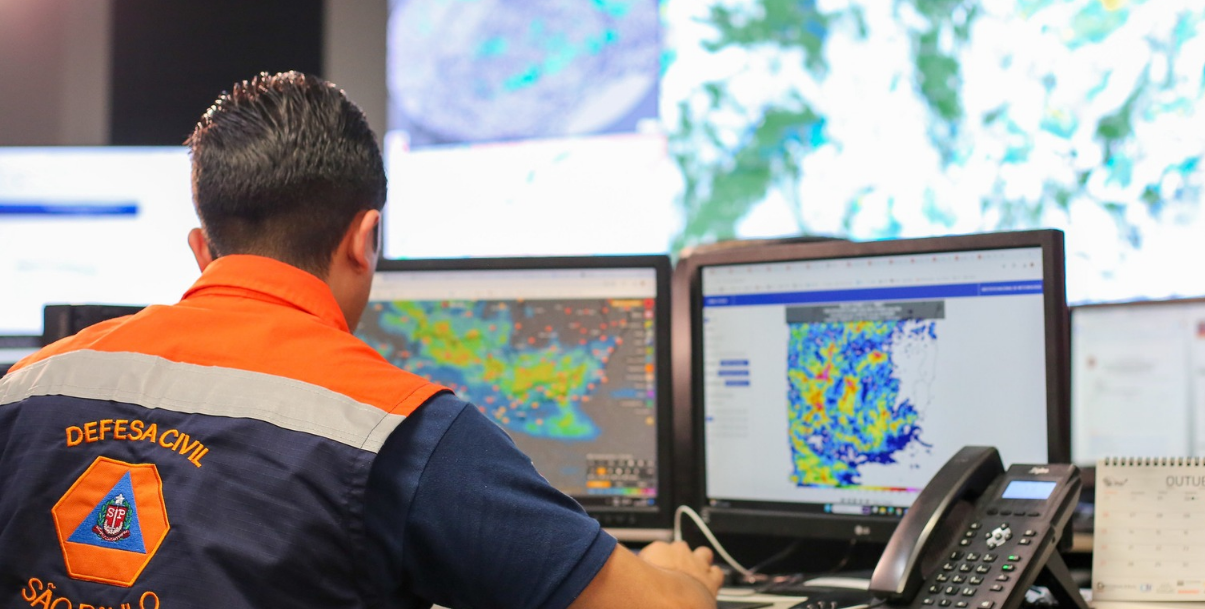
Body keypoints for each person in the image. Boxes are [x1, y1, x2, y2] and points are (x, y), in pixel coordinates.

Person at [0, 72, 723, 609]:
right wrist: (682, 578)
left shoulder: (28, 386)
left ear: (201, 247)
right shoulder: (399, 428)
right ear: (366, 239)